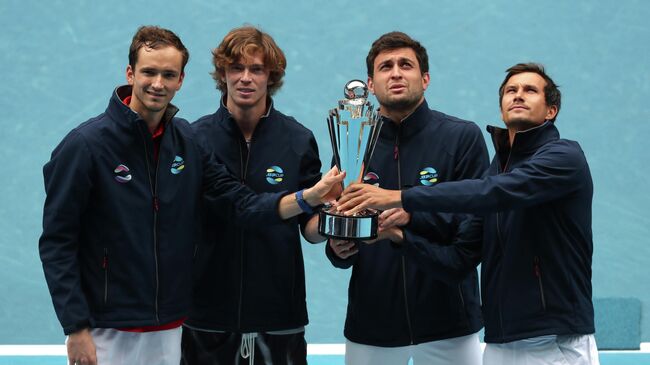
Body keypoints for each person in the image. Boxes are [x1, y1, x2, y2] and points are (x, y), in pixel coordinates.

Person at [39, 25, 343, 365]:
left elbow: (240, 205)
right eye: (149, 72)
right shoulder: (86, 145)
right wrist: (76, 327)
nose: (158, 83)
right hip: (112, 328)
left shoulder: (186, 142)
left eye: (168, 74)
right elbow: (57, 241)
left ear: (181, 80)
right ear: (130, 73)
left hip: (171, 326)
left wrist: (311, 197)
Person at [338, 63, 599, 365]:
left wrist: (399, 198)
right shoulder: (497, 169)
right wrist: (397, 236)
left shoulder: (564, 157)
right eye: (511, 91)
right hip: (501, 342)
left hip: (555, 340)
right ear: (502, 108)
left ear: (551, 110)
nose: (518, 96)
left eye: (530, 90)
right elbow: (457, 262)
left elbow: (492, 193)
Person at [326, 31, 488, 365]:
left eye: (406, 65)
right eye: (386, 67)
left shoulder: (461, 137)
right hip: (372, 328)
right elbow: (341, 230)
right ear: (370, 85)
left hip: (451, 327)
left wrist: (410, 214)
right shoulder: (351, 142)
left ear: (425, 79)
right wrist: (338, 246)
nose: (396, 73)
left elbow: (473, 226)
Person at [180, 26, 326, 365]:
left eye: (256, 69)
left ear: (270, 76)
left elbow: (309, 226)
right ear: (223, 74)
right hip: (205, 314)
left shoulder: (298, 140)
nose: (245, 78)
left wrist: (337, 228)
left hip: (279, 316)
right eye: (236, 68)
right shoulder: (193, 139)